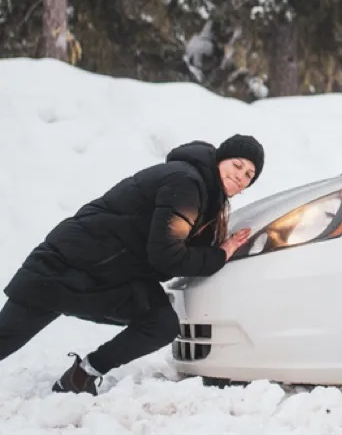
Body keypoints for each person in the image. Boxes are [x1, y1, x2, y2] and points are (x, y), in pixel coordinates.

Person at [0, 134, 264, 395]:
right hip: (67, 265)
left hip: (111, 275)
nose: (241, 176)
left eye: (249, 175)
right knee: (6, 336)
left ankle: (83, 375)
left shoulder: (205, 195)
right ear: (220, 159)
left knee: (160, 324)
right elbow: (167, 255)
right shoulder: (186, 182)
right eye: (237, 165)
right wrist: (220, 254)